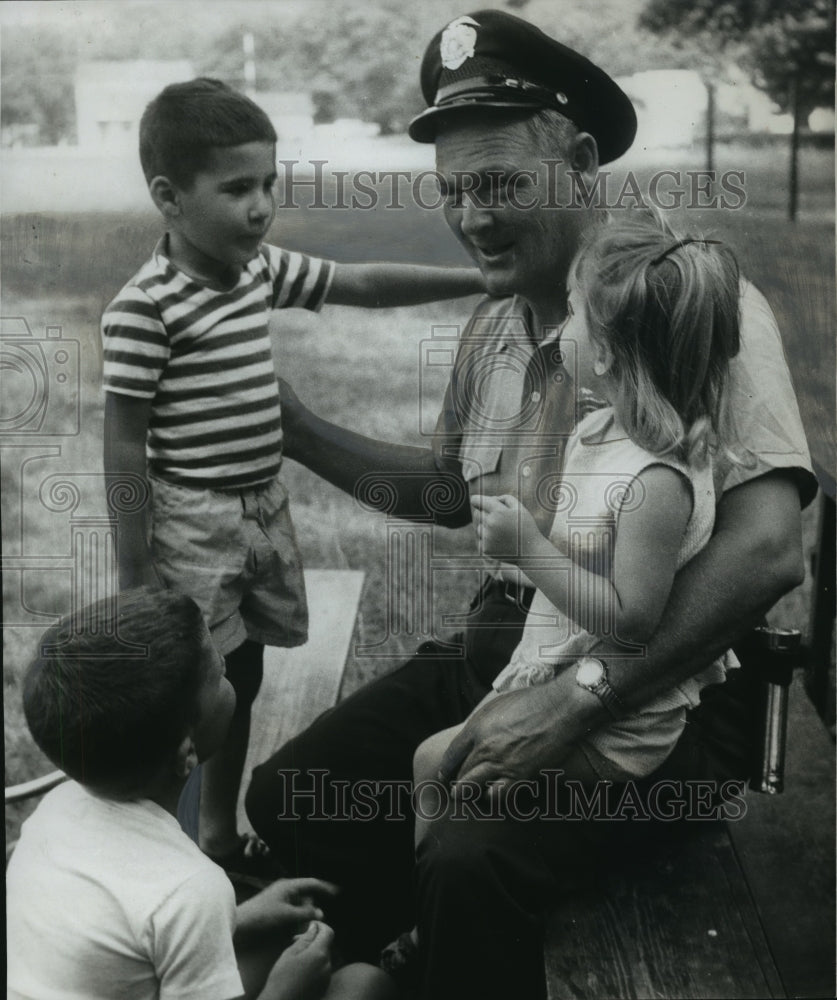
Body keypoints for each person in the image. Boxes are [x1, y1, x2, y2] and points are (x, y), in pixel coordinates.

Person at [245, 11, 816, 1000]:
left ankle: (446, 943)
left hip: (669, 693)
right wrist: (294, 428)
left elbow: (767, 551)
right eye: (454, 190)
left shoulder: (701, 305)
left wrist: (574, 696)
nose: (472, 216)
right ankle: (403, 959)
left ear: (581, 161)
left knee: (474, 857)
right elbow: (447, 489)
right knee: (295, 797)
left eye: (502, 183)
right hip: (509, 646)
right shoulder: (495, 324)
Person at [102, 77, 484, 877]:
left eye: (268, 184)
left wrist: (481, 280)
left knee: (247, 670)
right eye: (236, 188)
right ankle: (164, 847)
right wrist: (136, 568)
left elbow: (364, 283)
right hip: (191, 522)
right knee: (194, 684)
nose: (259, 207)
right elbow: (124, 447)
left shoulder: (257, 271)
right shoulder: (146, 309)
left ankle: (215, 830)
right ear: (169, 199)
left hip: (259, 512)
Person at [6, 588, 396, 1000]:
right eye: (218, 672)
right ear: (186, 751)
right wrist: (284, 990)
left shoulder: (52, 812)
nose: (227, 664)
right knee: (364, 984)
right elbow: (171, 910)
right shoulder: (190, 887)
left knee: (267, 946)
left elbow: (127, 929)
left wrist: (238, 919)